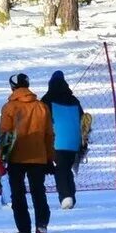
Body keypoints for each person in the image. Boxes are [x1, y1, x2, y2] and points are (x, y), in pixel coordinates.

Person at [0, 72, 54, 233]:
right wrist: (50, 157)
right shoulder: (41, 106)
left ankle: (24, 230)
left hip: (16, 157)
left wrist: (1, 157)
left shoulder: (9, 107)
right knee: (38, 192)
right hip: (38, 156)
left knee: (18, 194)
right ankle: (41, 225)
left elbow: (5, 135)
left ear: (13, 87)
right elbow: (49, 135)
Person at [41, 70, 85, 207]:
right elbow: (83, 120)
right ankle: (71, 195)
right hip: (74, 142)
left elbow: (42, 121)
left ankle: (66, 196)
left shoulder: (47, 100)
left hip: (58, 141)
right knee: (66, 167)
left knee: (60, 169)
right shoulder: (74, 100)